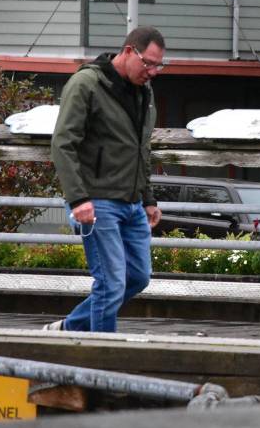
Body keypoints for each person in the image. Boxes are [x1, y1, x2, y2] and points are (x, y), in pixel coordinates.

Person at [45, 26, 166, 332]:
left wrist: (148, 198)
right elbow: (63, 143)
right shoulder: (86, 83)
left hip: (133, 203)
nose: (152, 72)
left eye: (158, 65)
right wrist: (78, 199)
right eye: (148, 63)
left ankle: (70, 328)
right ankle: (101, 357)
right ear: (129, 51)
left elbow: (142, 149)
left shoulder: (144, 91)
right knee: (111, 284)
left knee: (138, 277)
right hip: (96, 203)